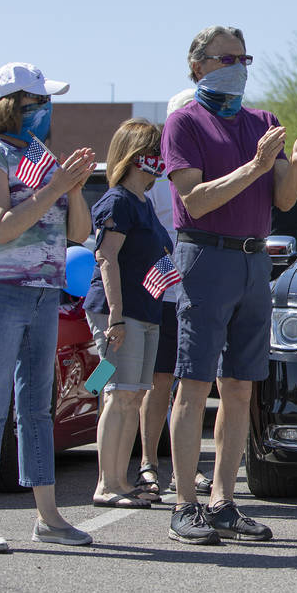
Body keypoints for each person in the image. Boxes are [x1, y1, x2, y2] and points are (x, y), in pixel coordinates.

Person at [161, 25, 297, 545]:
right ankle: (186, 504)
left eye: (244, 57)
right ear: (198, 66)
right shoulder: (183, 123)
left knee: (240, 387)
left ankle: (225, 502)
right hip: (204, 257)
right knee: (193, 384)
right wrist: (254, 165)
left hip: (255, 262)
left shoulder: (264, 122)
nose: (238, 65)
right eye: (226, 57)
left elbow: (282, 200)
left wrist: (292, 167)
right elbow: (196, 201)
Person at [0, 62, 97, 552]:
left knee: (38, 407)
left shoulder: (41, 155)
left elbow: (77, 233)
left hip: (44, 290)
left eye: (46, 103)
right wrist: (55, 188)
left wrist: (75, 189)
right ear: (13, 105)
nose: (45, 111)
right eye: (39, 103)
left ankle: (48, 516)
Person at [82, 118, 174, 508]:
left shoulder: (144, 202)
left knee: (130, 395)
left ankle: (119, 480)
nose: (161, 161)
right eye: (154, 152)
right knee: (117, 395)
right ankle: (109, 484)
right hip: (119, 314)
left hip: (146, 312)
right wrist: (116, 316)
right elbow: (106, 258)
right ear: (137, 156)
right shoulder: (118, 200)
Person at [134, 88, 212, 501]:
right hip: (161, 295)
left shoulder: (208, 170)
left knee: (193, 382)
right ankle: (148, 463)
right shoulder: (154, 176)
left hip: (200, 291)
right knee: (158, 380)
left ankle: (191, 464)